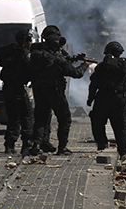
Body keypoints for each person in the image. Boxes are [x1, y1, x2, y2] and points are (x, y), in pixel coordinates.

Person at [30, 25, 89, 156]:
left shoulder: (36, 54)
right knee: (65, 118)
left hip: (39, 90)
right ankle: (62, 147)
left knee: (41, 118)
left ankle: (36, 145)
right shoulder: (57, 59)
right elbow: (75, 73)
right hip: (55, 92)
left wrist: (69, 59)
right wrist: (84, 65)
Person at [87, 41, 126, 157]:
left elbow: (93, 84)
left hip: (103, 98)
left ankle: (102, 144)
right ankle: (124, 152)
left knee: (97, 121)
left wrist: (90, 99)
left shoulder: (101, 67)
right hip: (120, 99)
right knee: (122, 126)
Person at [0, 30, 35, 156]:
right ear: (26, 41)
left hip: (8, 88)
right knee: (27, 116)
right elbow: (30, 68)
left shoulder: (9, 51)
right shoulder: (24, 53)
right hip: (19, 88)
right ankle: (27, 145)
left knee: (13, 117)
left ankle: (9, 145)